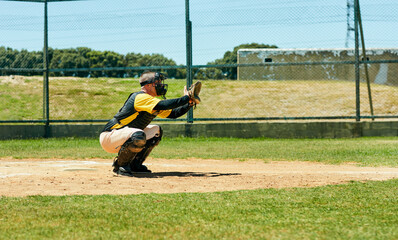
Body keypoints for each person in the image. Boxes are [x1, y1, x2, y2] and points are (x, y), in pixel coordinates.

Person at [99, 71, 198, 177]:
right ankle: (120, 166)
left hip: (124, 135)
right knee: (138, 135)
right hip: (110, 136)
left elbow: (173, 113)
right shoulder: (140, 97)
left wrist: (189, 103)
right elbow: (164, 104)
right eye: (158, 82)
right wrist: (186, 98)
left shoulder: (151, 102)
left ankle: (134, 165)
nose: (161, 85)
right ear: (148, 85)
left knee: (156, 131)